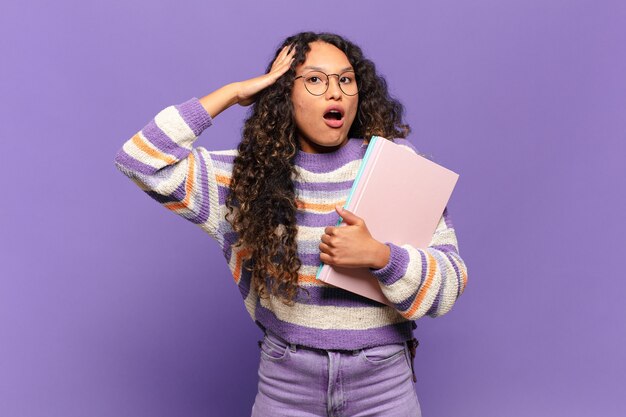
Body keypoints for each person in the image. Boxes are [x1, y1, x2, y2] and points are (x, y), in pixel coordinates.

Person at [114, 31, 468, 417]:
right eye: (315, 80)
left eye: (345, 80)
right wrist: (232, 93)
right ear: (286, 94)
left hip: (383, 382)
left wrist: (381, 256)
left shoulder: (394, 164)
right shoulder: (245, 176)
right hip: (287, 382)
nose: (334, 92)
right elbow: (139, 160)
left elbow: (448, 286)